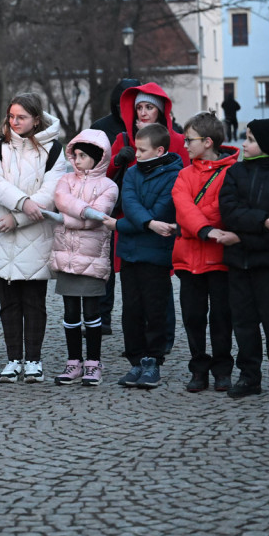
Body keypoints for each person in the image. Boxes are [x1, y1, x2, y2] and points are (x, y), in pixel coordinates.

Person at [0, 92, 69, 384]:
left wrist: (18, 216)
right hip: (0, 236)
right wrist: (23, 203)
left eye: (21, 117)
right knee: (8, 303)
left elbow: (50, 193)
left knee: (33, 302)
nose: (14, 121)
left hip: (34, 232)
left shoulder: (54, 150)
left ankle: (33, 360)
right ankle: (12, 359)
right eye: (11, 116)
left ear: (36, 119)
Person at [218, 119, 269, 399]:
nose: (244, 144)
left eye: (250, 139)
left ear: (266, 142)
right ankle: (249, 375)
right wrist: (263, 221)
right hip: (238, 262)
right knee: (243, 322)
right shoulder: (236, 171)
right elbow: (228, 211)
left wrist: (244, 233)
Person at [106, 82, 188, 344]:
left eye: (149, 107)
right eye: (139, 107)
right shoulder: (124, 139)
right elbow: (107, 178)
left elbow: (182, 182)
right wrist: (117, 159)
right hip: (130, 223)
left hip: (162, 222)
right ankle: (137, 343)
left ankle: (160, 341)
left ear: (160, 110)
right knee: (132, 290)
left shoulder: (176, 140)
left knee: (158, 288)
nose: (143, 112)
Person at [102, 123, 182, 389]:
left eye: (142, 150)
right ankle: (135, 362)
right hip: (130, 252)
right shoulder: (133, 173)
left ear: (159, 150)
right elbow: (129, 203)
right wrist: (147, 224)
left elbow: (164, 209)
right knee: (131, 311)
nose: (136, 154)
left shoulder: (174, 174)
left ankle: (153, 362)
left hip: (156, 255)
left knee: (155, 309)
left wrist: (124, 225)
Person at [172, 112, 239, 393]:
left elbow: (227, 209)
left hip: (219, 261)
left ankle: (223, 369)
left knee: (222, 318)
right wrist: (205, 229)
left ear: (208, 142)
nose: (185, 145)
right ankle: (198, 368)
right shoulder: (184, 174)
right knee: (193, 318)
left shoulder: (232, 173)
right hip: (188, 259)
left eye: (190, 140)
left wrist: (196, 224)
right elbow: (182, 207)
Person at [49, 129, 117, 386]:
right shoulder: (66, 180)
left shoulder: (109, 185)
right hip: (66, 256)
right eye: (74, 155)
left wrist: (64, 219)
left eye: (82, 156)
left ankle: (93, 362)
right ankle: (73, 361)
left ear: (97, 158)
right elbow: (61, 199)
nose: (76, 160)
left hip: (92, 257)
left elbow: (97, 218)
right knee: (69, 313)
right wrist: (84, 212)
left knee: (91, 312)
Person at [89, 78, 137, 337]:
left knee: (132, 268)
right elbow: (89, 165)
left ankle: (137, 323)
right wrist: (116, 160)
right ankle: (102, 316)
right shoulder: (101, 128)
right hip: (106, 202)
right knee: (104, 265)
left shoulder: (148, 127)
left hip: (137, 204)